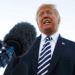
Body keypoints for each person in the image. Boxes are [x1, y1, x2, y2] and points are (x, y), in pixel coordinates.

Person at [4, 4, 75, 75]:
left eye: (49, 12)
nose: (45, 16)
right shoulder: (22, 46)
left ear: (58, 20)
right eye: (41, 14)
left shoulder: (73, 47)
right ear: (38, 23)